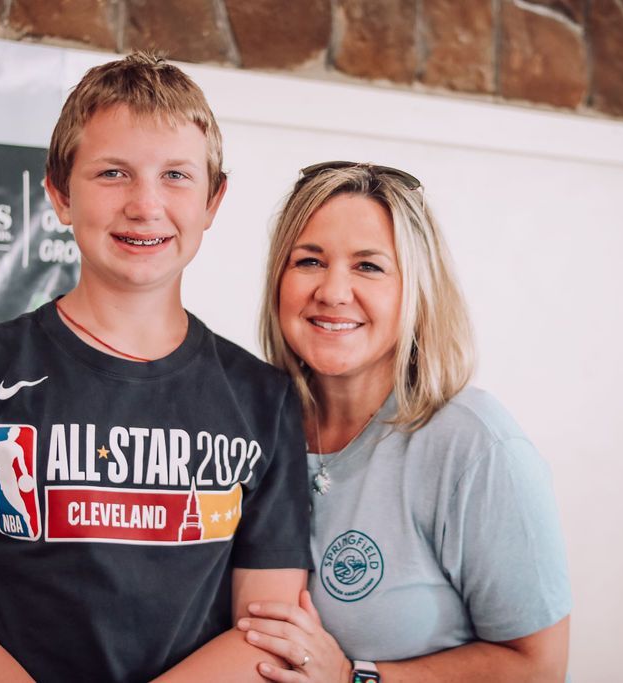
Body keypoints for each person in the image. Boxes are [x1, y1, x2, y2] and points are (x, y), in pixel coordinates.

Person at [0, 53, 311, 682]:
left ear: (213, 201)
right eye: (113, 173)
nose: (145, 204)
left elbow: (267, 631)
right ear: (58, 193)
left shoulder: (262, 398)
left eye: (177, 176)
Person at [238, 162, 572, 682]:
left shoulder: (476, 445)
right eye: (309, 261)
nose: (332, 291)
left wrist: (355, 677)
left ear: (416, 290)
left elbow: (540, 667)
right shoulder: (247, 427)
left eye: (369, 266)